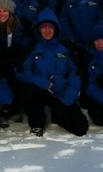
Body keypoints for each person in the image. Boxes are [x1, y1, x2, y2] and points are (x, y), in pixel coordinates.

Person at [16, 9, 88, 137]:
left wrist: (70, 95)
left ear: (56, 29)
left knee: (81, 128)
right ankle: (36, 123)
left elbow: (76, 73)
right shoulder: (33, 47)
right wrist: (40, 81)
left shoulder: (65, 47)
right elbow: (20, 70)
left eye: (50, 27)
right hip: (40, 90)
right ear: (39, 29)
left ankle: (57, 115)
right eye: (44, 27)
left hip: (60, 93)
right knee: (29, 91)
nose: (47, 30)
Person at [59, 0, 103, 106]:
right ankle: (73, 98)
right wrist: (71, 37)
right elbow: (62, 19)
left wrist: (96, 35)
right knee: (76, 71)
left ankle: (90, 99)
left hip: (93, 42)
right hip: (74, 42)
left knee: (92, 71)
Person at [0, 0, 30, 124]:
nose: (2, 14)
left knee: (14, 75)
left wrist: (17, 49)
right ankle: (0, 107)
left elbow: (23, 41)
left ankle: (14, 107)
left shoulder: (18, 24)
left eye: (5, 11)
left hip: (13, 59)